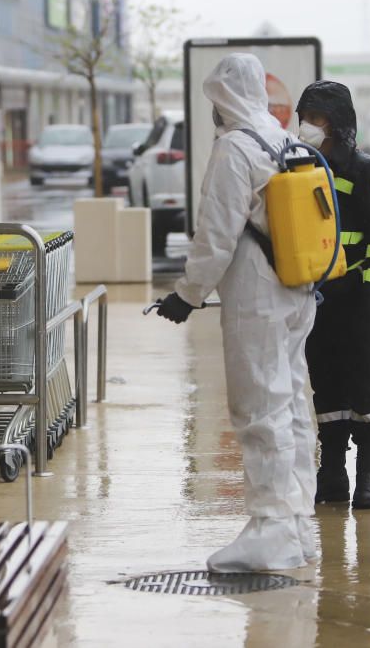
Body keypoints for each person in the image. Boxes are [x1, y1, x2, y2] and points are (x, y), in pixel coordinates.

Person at [154, 54, 317, 572]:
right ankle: (298, 524)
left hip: (257, 296)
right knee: (291, 406)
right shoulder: (284, 139)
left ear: (223, 98)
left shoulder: (235, 148)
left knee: (260, 409)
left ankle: (270, 530)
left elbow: (217, 232)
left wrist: (188, 294)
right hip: (297, 288)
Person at [296, 81, 370, 510]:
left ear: (336, 122)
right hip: (316, 299)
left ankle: (367, 474)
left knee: (361, 385)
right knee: (325, 386)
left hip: (356, 298)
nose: (307, 127)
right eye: (304, 118)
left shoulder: (368, 172)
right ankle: (332, 470)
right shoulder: (298, 170)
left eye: (315, 119)